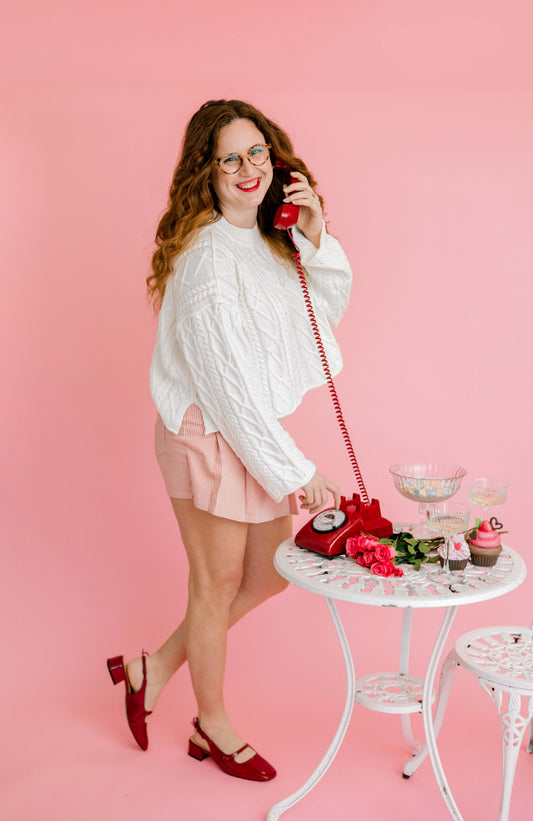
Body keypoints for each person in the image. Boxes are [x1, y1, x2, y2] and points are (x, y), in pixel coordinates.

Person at [107, 99, 352, 782]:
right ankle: (210, 724)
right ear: (206, 173)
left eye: (257, 153)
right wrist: (298, 468)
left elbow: (319, 314)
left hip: (246, 427)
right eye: (229, 159)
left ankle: (151, 667)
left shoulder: (267, 242)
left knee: (272, 570)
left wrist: (313, 230)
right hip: (206, 428)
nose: (248, 169)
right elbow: (224, 389)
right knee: (213, 584)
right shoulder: (207, 259)